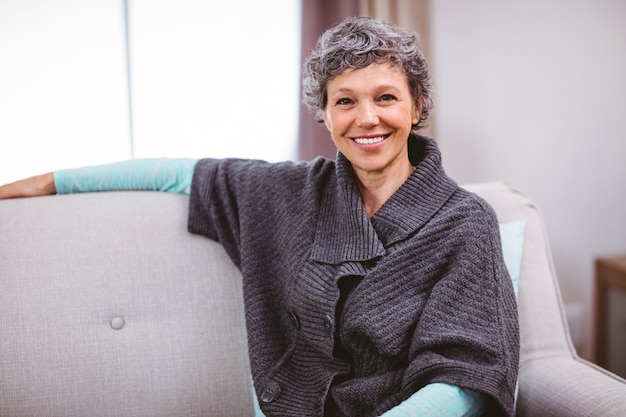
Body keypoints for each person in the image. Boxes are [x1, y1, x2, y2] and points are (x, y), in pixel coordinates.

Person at [0, 16, 519, 417]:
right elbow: (179, 173)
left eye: (386, 97)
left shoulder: (465, 222)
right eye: (345, 101)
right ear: (323, 114)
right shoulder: (288, 194)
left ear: (416, 104)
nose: (366, 118)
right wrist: (47, 182)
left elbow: (467, 381)